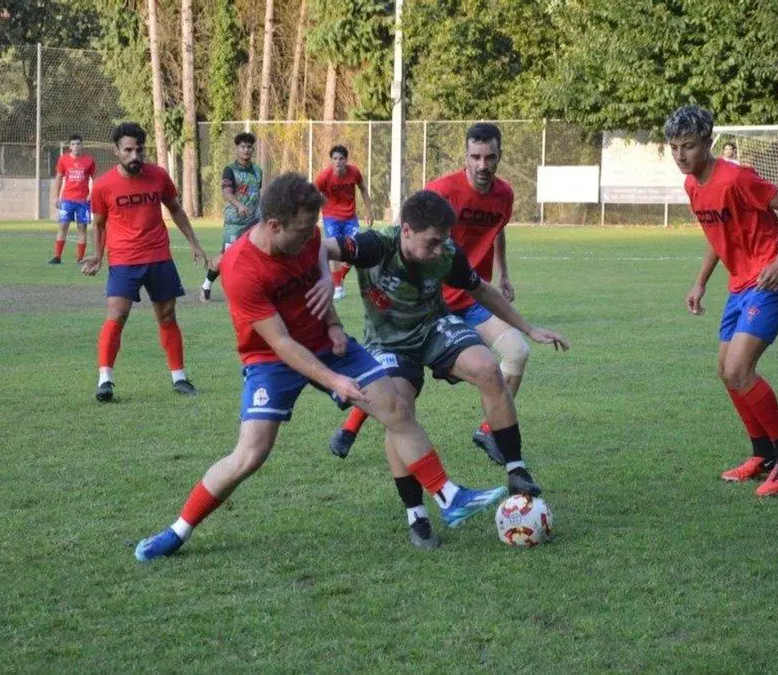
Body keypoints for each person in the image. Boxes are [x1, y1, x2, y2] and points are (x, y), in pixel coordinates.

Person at [133, 173, 508, 560]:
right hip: (271, 358)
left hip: (326, 343)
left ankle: (448, 497)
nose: (311, 237)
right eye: (302, 230)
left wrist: (332, 323)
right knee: (250, 454)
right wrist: (334, 381)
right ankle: (178, 531)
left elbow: (313, 277)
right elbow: (281, 343)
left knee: (396, 407)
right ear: (274, 225)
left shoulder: (306, 234)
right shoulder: (240, 268)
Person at [323, 190, 569, 547]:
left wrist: (528, 329)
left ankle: (516, 469)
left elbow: (481, 290)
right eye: (432, 243)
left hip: (434, 327)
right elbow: (321, 248)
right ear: (406, 231)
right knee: (399, 413)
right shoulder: (375, 245)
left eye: (443, 242)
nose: (440, 250)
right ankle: (417, 515)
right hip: (388, 342)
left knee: (488, 368)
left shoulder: (447, 254)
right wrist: (324, 284)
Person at [329, 123, 529, 464]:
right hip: (431, 299)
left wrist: (504, 273)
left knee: (517, 351)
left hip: (471, 294)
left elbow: (498, 230)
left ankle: (490, 430)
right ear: (465, 156)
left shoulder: (505, 195)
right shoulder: (441, 190)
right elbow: (406, 230)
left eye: (490, 157)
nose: (482, 165)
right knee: (395, 367)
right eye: (476, 157)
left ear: (499, 156)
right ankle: (350, 427)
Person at [664, 104, 778, 497]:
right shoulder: (692, 186)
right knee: (726, 372)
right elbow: (718, 234)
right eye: (674, 147)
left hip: (772, 280)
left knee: (740, 369)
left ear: (707, 142)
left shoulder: (736, 178)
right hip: (740, 285)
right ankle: (763, 454)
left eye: (688, 146)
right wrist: (700, 283)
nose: (680, 155)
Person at [80, 122, 209, 402]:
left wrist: (194, 243)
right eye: (128, 150)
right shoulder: (103, 185)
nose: (134, 155)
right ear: (116, 151)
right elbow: (99, 224)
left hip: (159, 257)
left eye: (139, 150)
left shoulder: (158, 176)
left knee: (167, 316)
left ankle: (179, 377)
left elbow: (175, 209)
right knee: (117, 315)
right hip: (124, 259)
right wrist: (98, 255)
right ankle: (105, 380)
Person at [201, 132, 264, 302]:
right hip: (235, 223)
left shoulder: (258, 170)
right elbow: (226, 192)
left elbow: (257, 193)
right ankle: (206, 285)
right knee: (227, 257)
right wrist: (239, 205)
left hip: (255, 222)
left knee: (257, 255)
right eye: (243, 146)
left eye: (249, 147)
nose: (246, 150)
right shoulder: (230, 170)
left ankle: (251, 290)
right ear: (237, 148)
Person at [314, 145, 374, 301]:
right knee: (335, 249)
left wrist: (368, 210)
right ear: (331, 160)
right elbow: (313, 194)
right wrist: (313, 214)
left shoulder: (354, 172)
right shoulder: (324, 177)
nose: (337, 162)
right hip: (331, 217)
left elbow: (363, 189)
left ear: (346, 160)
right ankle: (337, 287)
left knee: (355, 248)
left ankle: (340, 276)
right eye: (334, 159)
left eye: (341, 159)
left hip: (350, 217)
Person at [49, 135, 97, 264]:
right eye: (73, 144)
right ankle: (57, 257)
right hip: (67, 200)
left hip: (83, 201)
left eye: (78, 144)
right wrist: (56, 197)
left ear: (82, 145)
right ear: (70, 146)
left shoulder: (89, 160)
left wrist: (92, 194)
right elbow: (59, 178)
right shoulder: (63, 159)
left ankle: (80, 258)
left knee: (82, 228)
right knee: (63, 226)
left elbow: (95, 179)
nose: (76, 146)